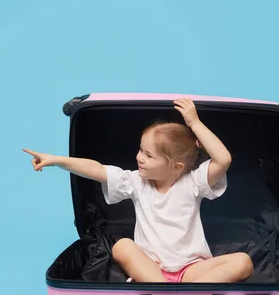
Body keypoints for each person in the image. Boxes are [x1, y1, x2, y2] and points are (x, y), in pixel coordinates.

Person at [23, 97, 253, 283]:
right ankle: (165, 290)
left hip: (191, 271)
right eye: (140, 150)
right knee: (122, 247)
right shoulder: (135, 182)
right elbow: (96, 169)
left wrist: (194, 123)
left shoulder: (193, 183)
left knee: (244, 262)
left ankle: (183, 291)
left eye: (148, 155)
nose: (139, 158)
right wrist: (55, 159)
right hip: (151, 267)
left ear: (176, 167)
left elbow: (223, 159)